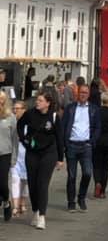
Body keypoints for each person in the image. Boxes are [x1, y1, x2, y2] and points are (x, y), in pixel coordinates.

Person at [17, 88, 64, 230]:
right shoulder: (30, 114)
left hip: (49, 153)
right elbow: (20, 125)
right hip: (32, 152)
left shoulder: (55, 116)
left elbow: (59, 138)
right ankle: (36, 210)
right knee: (32, 184)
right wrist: (24, 139)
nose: (37, 102)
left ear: (48, 103)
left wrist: (60, 158)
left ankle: (42, 216)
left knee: (42, 183)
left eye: (40, 100)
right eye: (37, 100)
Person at [61, 82, 100, 211]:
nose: (83, 95)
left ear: (88, 95)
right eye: (81, 92)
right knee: (71, 176)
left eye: (85, 93)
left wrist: (92, 141)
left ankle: (81, 197)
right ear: (77, 94)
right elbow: (63, 125)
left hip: (86, 146)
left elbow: (97, 127)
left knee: (88, 173)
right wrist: (64, 144)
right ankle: (71, 202)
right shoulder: (70, 108)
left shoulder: (94, 109)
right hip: (72, 145)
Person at [0, 91, 18, 222]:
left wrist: (14, 157)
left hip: (5, 153)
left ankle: (6, 202)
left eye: (2, 99)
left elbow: (15, 139)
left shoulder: (11, 117)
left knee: (2, 184)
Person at [11, 102, 29, 216]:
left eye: (17, 108)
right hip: (14, 155)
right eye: (14, 108)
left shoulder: (29, 123)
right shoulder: (12, 123)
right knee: (15, 179)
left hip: (27, 155)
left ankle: (22, 202)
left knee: (25, 181)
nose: (15, 111)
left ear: (24, 110)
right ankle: (15, 206)